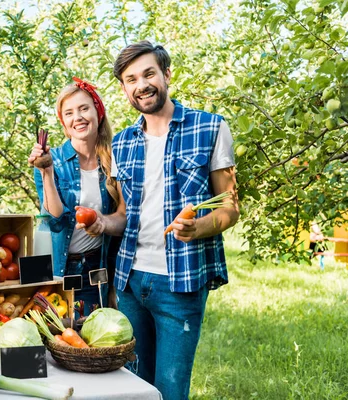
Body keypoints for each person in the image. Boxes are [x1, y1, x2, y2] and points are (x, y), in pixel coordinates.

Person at [78, 41, 240, 399]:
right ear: (124, 89)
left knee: (169, 390)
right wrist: (103, 224)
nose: (141, 84)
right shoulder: (122, 144)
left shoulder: (210, 128)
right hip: (130, 281)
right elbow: (124, 215)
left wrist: (198, 227)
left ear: (166, 74)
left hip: (180, 283)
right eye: (131, 79)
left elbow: (230, 207)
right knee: (132, 387)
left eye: (149, 73)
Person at [29, 77, 120, 317]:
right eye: (68, 113)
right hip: (58, 267)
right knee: (57, 340)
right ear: (64, 123)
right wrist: (47, 173)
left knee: (92, 340)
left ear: (97, 112)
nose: (77, 117)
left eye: (83, 109)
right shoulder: (54, 160)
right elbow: (56, 222)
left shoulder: (113, 161)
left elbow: (122, 222)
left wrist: (113, 285)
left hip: (96, 268)